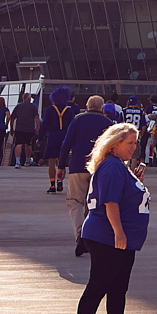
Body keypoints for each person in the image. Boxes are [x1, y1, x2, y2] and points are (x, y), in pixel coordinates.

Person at [72, 120, 152, 314]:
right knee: (98, 286)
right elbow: (110, 202)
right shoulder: (113, 167)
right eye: (129, 143)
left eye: (135, 143)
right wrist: (118, 231)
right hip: (108, 238)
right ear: (115, 145)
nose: (133, 147)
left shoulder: (119, 166)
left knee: (118, 287)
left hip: (120, 239)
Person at [63, 96, 114, 237]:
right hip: (100, 168)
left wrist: (61, 165)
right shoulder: (108, 123)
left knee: (75, 201)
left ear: (87, 105)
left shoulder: (78, 120)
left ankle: (79, 234)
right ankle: (89, 235)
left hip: (78, 165)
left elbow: (66, 143)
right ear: (102, 108)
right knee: (94, 203)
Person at [42, 86, 76, 193]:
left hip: (53, 136)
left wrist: (39, 138)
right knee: (61, 160)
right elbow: (72, 125)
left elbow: (44, 125)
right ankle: (60, 181)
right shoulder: (69, 111)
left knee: (51, 162)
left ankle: (52, 185)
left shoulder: (50, 110)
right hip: (65, 136)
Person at [10, 93, 38, 167]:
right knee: (28, 144)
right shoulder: (33, 107)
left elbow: (12, 118)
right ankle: (27, 160)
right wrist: (38, 127)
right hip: (29, 128)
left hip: (19, 128)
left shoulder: (18, 106)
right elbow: (37, 118)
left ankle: (17, 162)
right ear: (29, 99)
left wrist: (11, 128)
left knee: (18, 144)